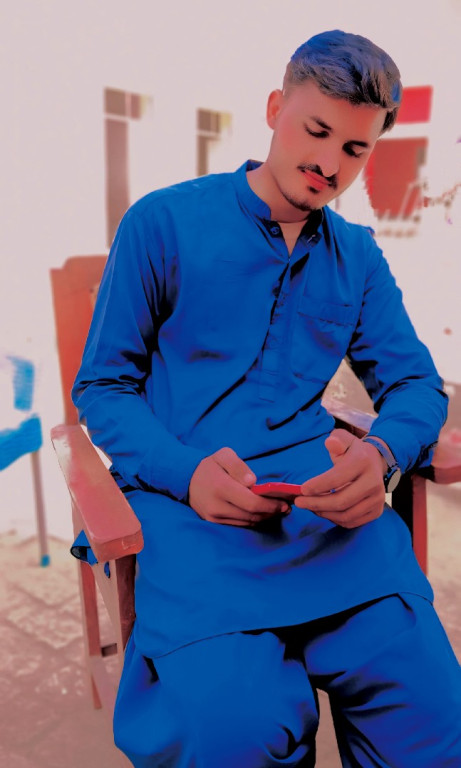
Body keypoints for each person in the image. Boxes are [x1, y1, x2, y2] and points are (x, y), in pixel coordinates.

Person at [72, 29, 460, 768]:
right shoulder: (162, 223)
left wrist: (381, 455)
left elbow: (414, 383)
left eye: (355, 149)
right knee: (234, 731)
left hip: (328, 523)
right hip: (189, 514)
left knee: (435, 718)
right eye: (316, 131)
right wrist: (186, 473)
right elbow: (103, 386)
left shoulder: (357, 256)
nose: (329, 164)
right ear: (276, 109)